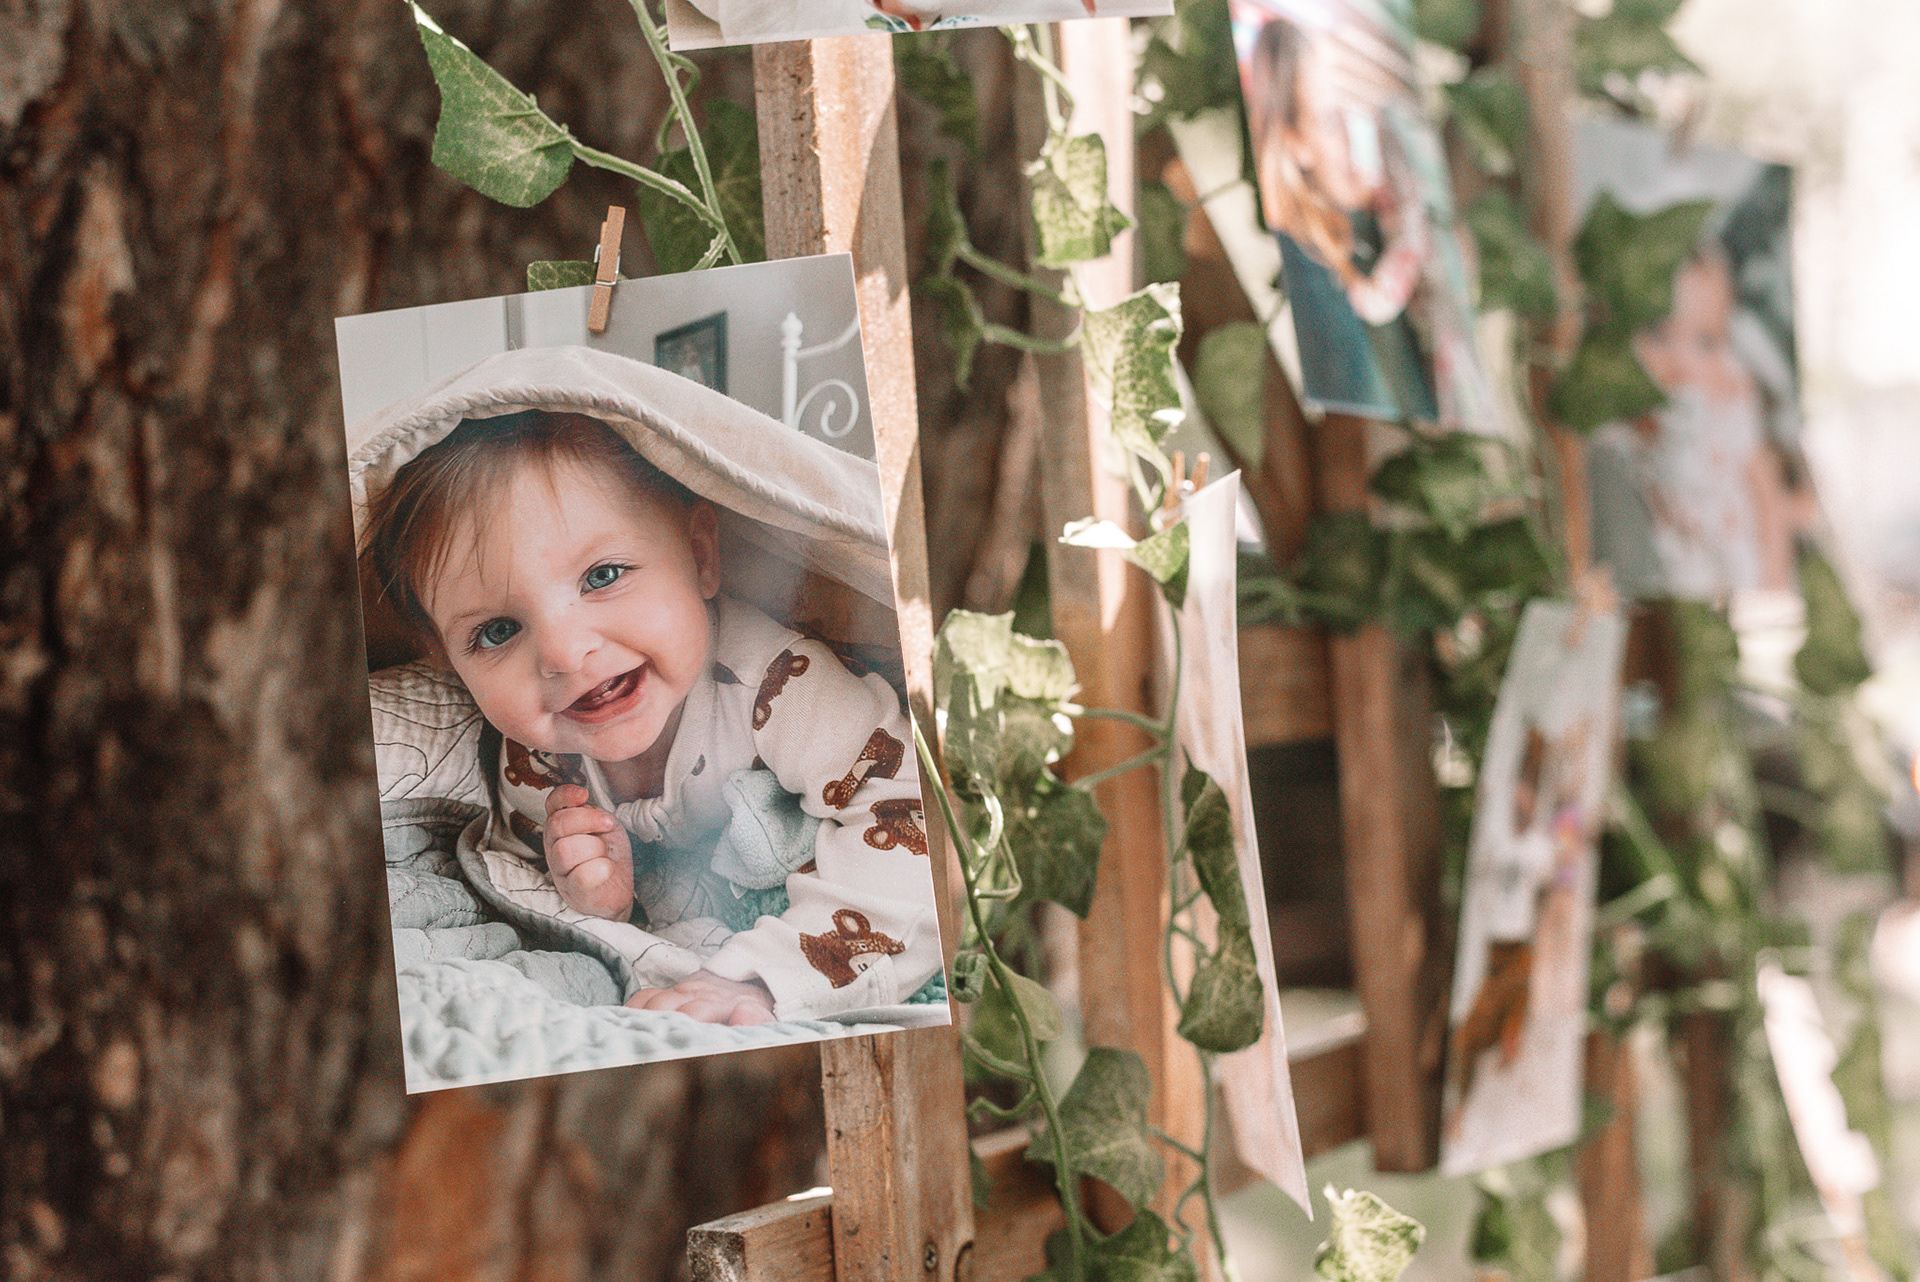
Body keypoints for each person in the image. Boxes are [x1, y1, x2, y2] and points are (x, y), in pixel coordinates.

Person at [360, 406, 940, 1027]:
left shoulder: (777, 681)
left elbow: (914, 824)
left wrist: (763, 982)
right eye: (498, 630)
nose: (562, 653)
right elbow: (535, 866)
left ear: (700, 555)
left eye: (602, 576)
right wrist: (597, 893)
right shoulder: (533, 762)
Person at [1242, 11, 1440, 421]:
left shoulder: (1386, 216)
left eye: (1356, 110)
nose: (1355, 137)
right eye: (1333, 122)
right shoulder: (1316, 275)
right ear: (1295, 143)